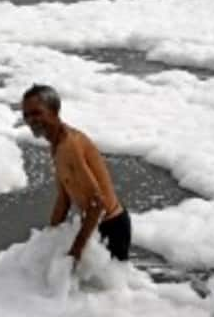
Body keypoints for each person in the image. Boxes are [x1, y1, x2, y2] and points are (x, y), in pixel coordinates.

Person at [20, 84, 131, 264]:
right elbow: (64, 199)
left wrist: (76, 250)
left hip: (111, 226)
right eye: (26, 115)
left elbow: (97, 203)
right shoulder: (55, 145)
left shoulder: (69, 146)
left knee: (111, 291)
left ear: (54, 111)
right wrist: (48, 237)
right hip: (95, 224)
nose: (31, 120)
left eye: (36, 113)